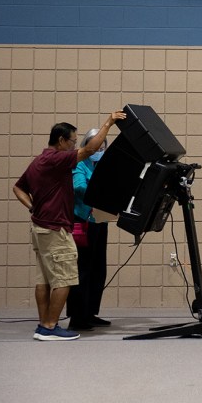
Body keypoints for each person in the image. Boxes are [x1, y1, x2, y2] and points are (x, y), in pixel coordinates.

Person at [12, 111, 126, 341]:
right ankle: (50, 326)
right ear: (62, 140)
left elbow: (18, 188)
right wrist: (109, 122)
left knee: (44, 279)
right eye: (73, 141)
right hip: (56, 229)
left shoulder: (39, 161)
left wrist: (32, 208)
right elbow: (89, 151)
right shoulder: (58, 159)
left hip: (40, 227)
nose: (75, 145)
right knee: (66, 278)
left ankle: (44, 323)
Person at [66, 128, 112, 332]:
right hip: (83, 222)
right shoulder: (79, 164)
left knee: (98, 268)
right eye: (96, 146)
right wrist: (101, 192)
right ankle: (77, 316)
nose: (99, 149)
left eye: (103, 147)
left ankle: (90, 312)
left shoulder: (102, 165)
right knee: (82, 269)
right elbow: (78, 187)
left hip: (100, 221)